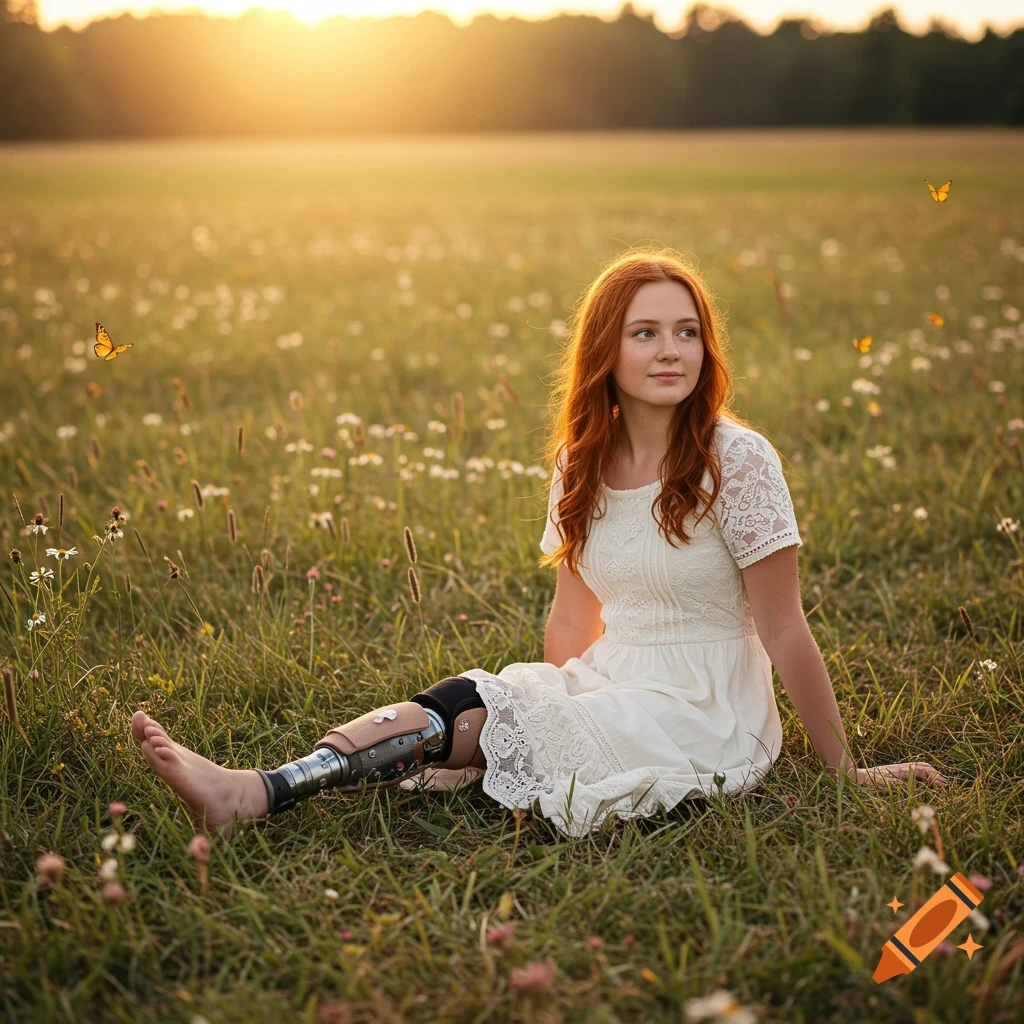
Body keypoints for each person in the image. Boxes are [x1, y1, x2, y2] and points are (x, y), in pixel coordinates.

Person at [131, 247, 946, 838]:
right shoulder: (578, 463)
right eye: (645, 334)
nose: (670, 350)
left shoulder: (740, 460)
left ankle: (256, 795)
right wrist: (551, 712)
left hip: (708, 708)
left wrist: (844, 769)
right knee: (478, 699)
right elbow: (572, 616)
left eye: (687, 332)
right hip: (612, 675)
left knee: (486, 716)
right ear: (605, 351)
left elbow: (782, 628)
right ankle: (264, 788)